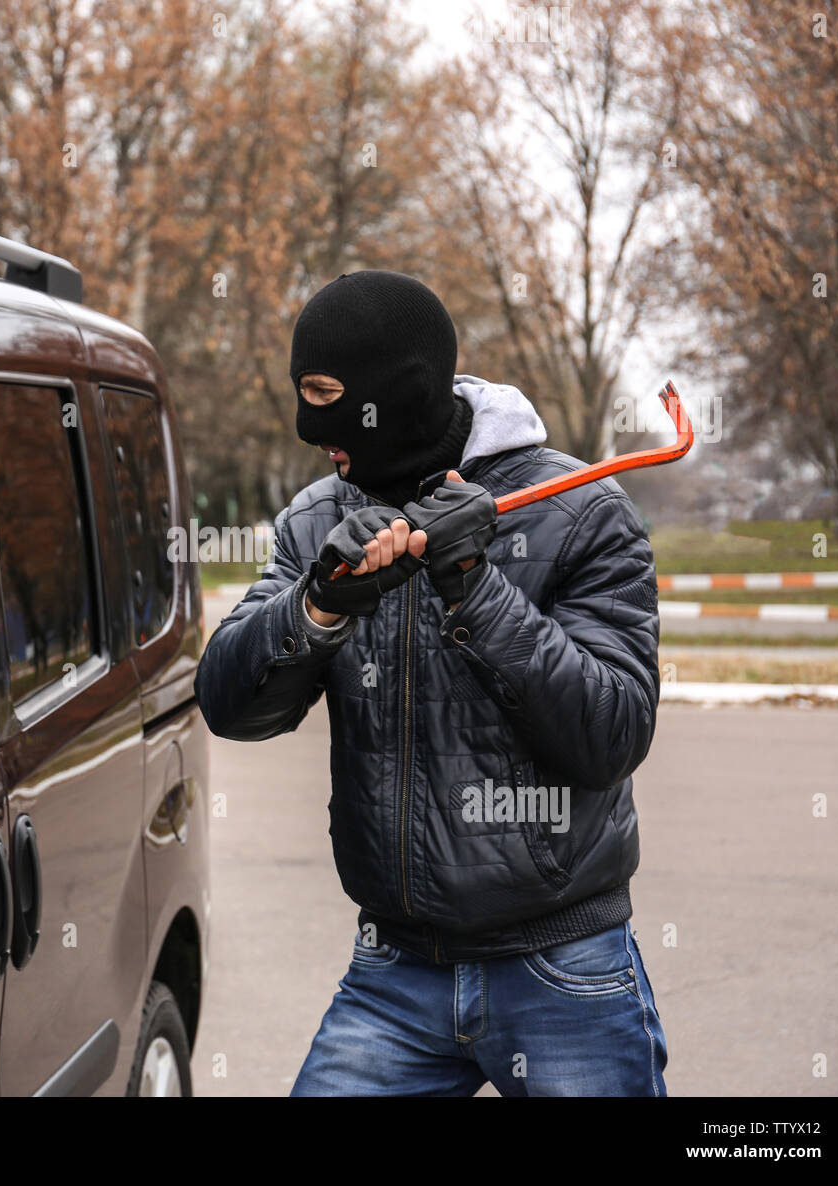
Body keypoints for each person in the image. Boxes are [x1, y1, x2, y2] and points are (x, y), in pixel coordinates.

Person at [193, 269, 668, 1096]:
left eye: (325, 394)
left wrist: (476, 586)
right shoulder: (316, 520)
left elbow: (613, 733)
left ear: (394, 392)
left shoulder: (583, 512)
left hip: (563, 964)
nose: (312, 427)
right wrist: (317, 607)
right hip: (396, 969)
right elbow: (230, 705)